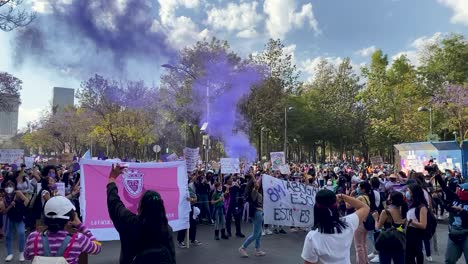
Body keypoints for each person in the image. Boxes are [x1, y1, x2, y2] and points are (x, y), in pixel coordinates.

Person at [106, 164, 175, 264]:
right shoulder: (166, 229)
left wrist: (112, 179)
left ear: (140, 207)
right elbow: (172, 258)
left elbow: (114, 204)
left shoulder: (130, 223)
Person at [24, 196, 101, 263]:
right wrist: (80, 225)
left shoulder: (33, 237)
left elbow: (27, 256)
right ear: (70, 220)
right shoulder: (78, 239)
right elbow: (97, 248)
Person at [301, 190, 370, 264]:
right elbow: (365, 207)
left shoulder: (312, 236)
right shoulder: (348, 223)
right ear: (336, 206)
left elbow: (309, 262)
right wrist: (343, 196)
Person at [434, 173, 468, 264]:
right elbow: (446, 190)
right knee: (449, 260)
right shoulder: (456, 198)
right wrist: (439, 178)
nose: (459, 190)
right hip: (454, 233)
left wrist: (462, 212)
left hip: (466, 234)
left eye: (462, 189)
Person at [372, 191, 408, 264]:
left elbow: (377, 228)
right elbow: (405, 226)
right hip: (400, 241)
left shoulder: (386, 212)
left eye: (389, 197)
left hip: (387, 241)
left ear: (391, 200)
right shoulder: (404, 210)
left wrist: (376, 219)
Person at [0, 179, 29, 262]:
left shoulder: (17, 193)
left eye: (10, 186)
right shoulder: (3, 197)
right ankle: (10, 253)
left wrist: (22, 208)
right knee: (8, 235)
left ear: (13, 187)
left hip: (19, 217)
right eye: (6, 187)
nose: (8, 188)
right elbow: (4, 211)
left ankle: (21, 252)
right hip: (9, 218)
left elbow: (26, 200)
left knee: (21, 232)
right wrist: (10, 206)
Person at [239, 176, 266, 258]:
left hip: (259, 213)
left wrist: (261, 177)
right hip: (257, 213)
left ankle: (257, 250)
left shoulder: (256, 191)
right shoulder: (254, 191)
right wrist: (256, 182)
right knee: (255, 234)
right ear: (253, 185)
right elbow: (256, 187)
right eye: (255, 182)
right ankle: (243, 247)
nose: (257, 182)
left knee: (259, 233)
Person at [354, 181, 376, 264]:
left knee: (358, 245)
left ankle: (361, 262)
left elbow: (349, 205)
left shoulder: (360, 198)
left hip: (360, 222)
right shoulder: (368, 196)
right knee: (363, 244)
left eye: (359, 187)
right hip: (365, 221)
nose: (358, 189)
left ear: (363, 189)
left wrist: (351, 195)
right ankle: (365, 261)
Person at [405, 183, 428, 264]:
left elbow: (423, 225)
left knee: (416, 253)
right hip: (409, 232)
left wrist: (411, 222)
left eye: (409, 192)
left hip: (416, 233)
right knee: (408, 255)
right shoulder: (410, 204)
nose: (407, 193)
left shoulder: (422, 207)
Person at [177, 177, 202, 248]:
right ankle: (180, 241)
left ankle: (193, 239)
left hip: (190, 209)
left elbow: (195, 198)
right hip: (183, 209)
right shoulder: (180, 189)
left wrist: (192, 199)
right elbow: (182, 199)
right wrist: (191, 199)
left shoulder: (189, 189)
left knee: (193, 224)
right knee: (183, 225)